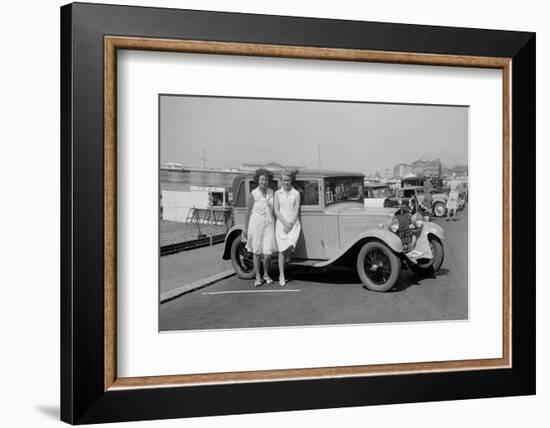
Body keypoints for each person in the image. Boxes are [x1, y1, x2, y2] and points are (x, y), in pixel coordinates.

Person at [242, 168, 277, 287]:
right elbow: (247, 213)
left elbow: (275, 210)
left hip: (269, 224)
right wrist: (245, 230)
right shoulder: (253, 194)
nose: (264, 182)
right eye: (262, 179)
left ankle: (266, 274)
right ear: (258, 180)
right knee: (256, 251)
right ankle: (258, 276)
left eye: (266, 180)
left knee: (268, 253)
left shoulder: (272, 193)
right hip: (256, 224)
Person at [274, 169, 301, 286]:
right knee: (281, 250)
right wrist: (285, 223)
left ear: (291, 181)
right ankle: (281, 275)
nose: (286, 182)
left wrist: (290, 223)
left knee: (290, 246)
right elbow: (276, 210)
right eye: (284, 180)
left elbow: (296, 209)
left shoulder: (296, 193)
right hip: (281, 223)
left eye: (288, 180)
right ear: (281, 181)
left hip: (293, 223)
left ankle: (288, 256)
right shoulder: (277, 194)